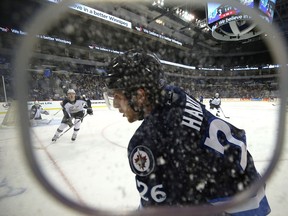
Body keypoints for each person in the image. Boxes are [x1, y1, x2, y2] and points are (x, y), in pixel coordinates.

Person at [102, 50, 271, 215]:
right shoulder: (175, 94)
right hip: (248, 183)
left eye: (117, 96)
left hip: (232, 205)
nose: (116, 104)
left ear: (140, 95)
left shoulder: (147, 142)